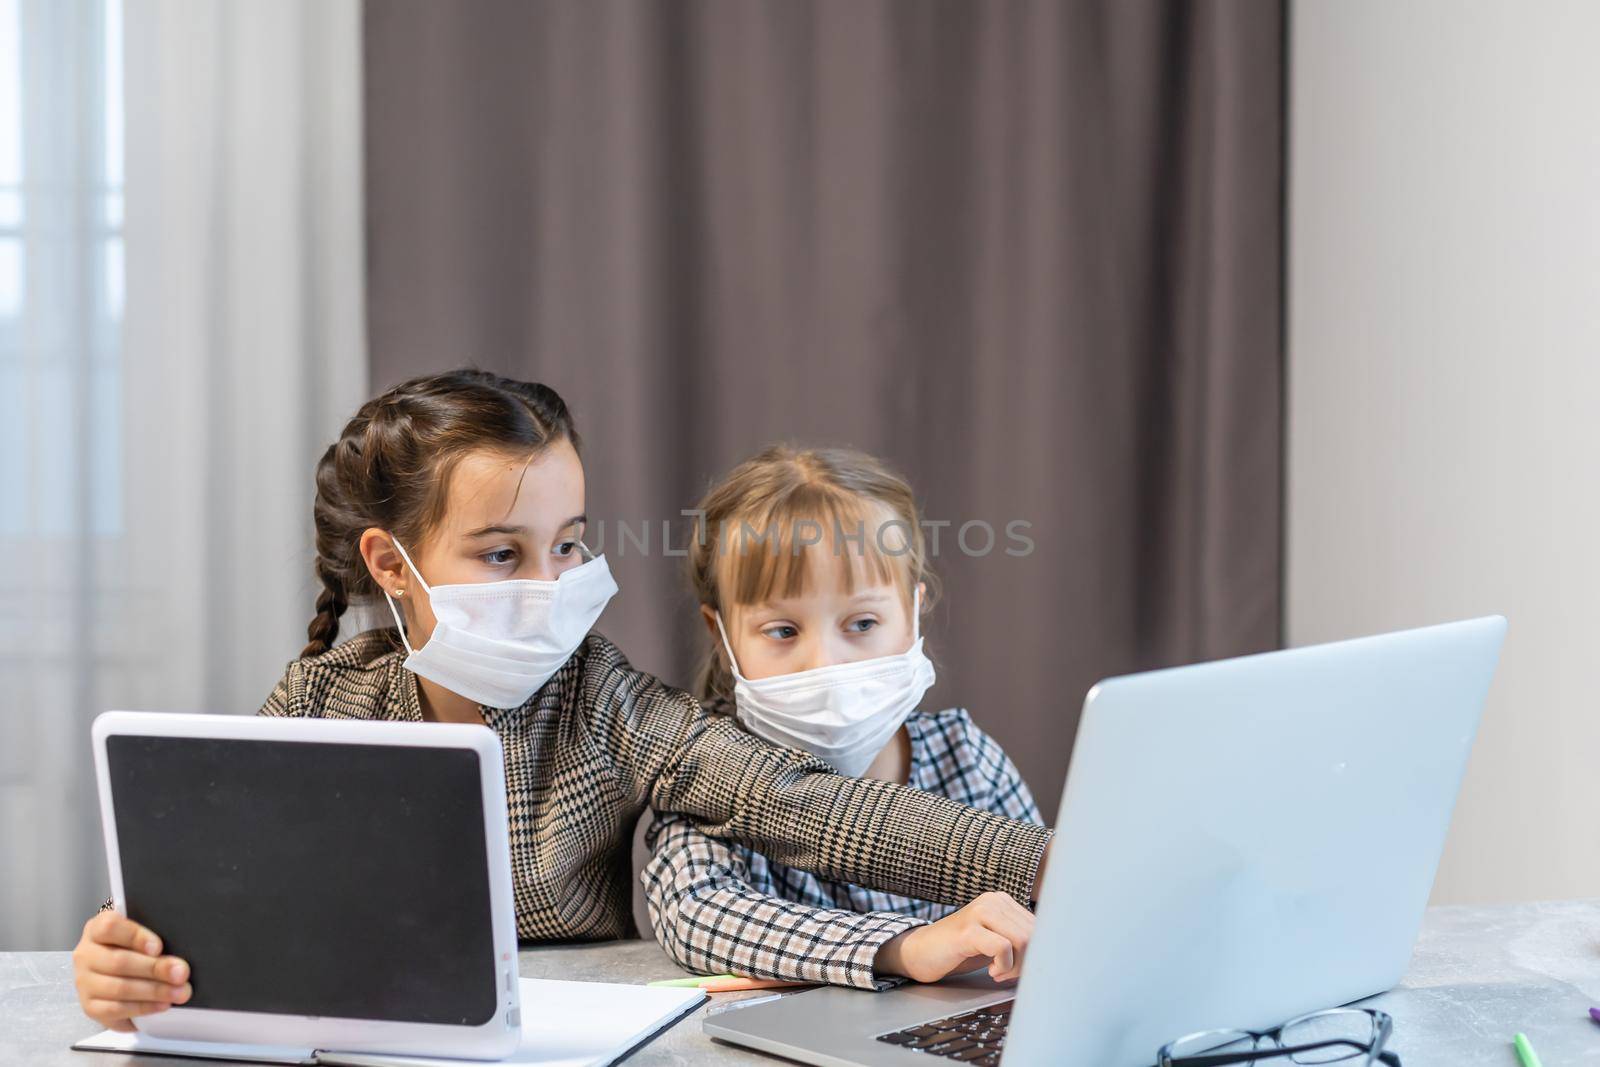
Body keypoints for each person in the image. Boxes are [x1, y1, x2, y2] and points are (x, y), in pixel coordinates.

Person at [71, 370, 1052, 1031]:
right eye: (504, 553)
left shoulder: (613, 704)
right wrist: (128, 953)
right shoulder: (329, 696)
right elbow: (215, 884)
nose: (551, 582)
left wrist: (1068, 864)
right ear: (392, 564)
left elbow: (807, 806)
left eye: (570, 542)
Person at [643, 445, 1042, 989]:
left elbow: (1053, 904)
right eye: (783, 631)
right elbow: (697, 915)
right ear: (722, 635)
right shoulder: (705, 776)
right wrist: (905, 948)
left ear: (912, 612)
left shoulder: (966, 759)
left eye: (861, 623)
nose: (826, 664)